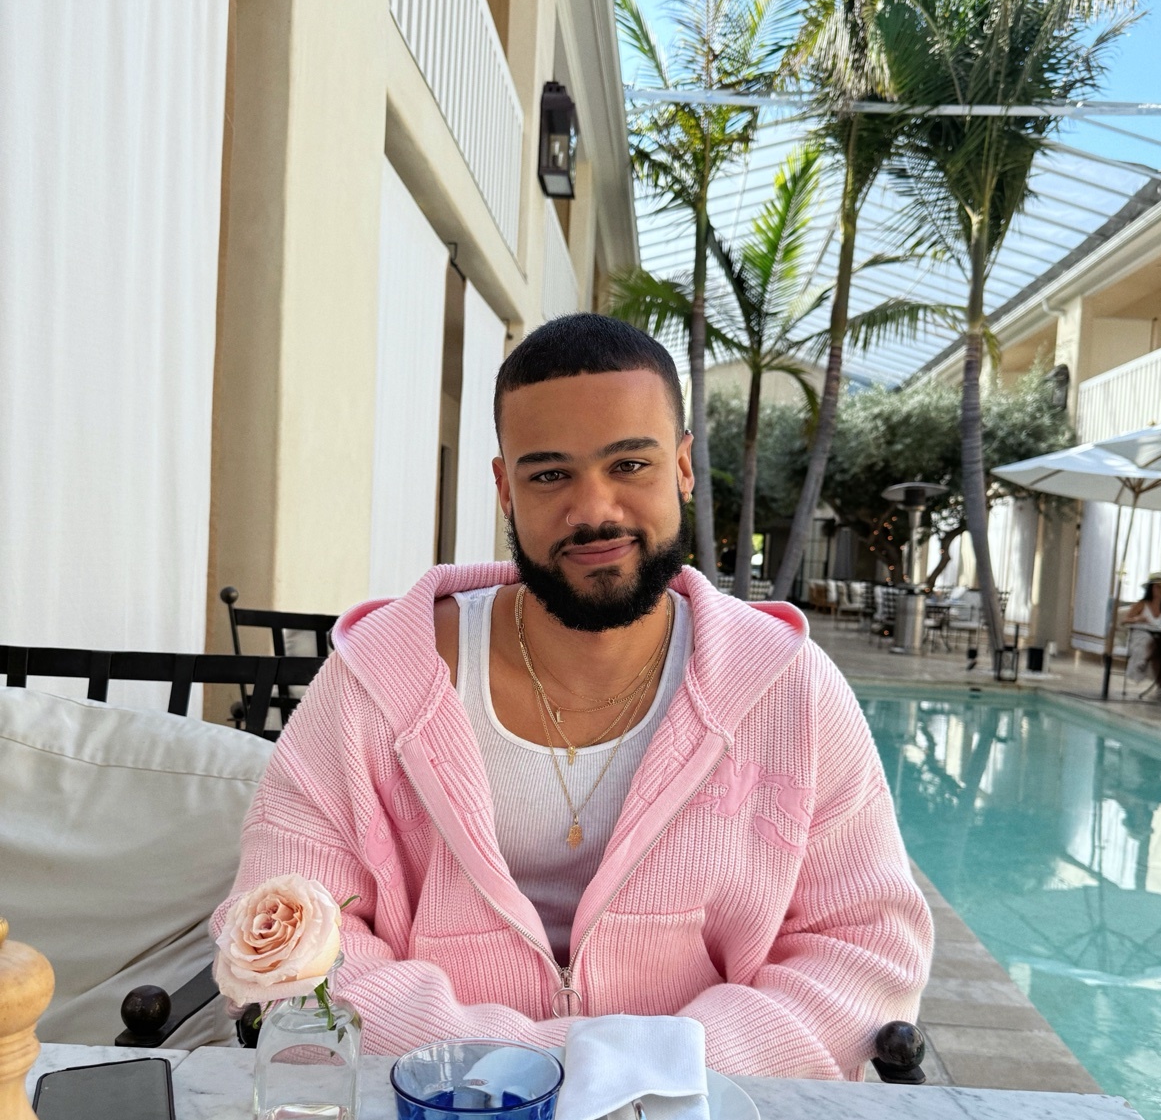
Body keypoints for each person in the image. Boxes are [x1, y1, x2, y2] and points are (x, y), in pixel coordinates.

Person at [213, 314, 932, 1077]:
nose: (594, 510)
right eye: (550, 474)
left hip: (703, 1118)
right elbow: (284, 929)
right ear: (505, 489)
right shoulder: (379, 684)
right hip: (441, 1117)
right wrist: (516, 1079)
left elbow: (862, 947)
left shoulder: (788, 692)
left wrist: (657, 1075)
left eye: (630, 465)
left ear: (683, 468)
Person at [1122, 572, 1161, 692]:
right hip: (1142, 637)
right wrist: (1138, 619)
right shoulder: (1142, 604)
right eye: (1158, 587)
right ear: (1151, 588)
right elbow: (1124, 620)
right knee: (1159, 648)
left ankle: (1146, 660)